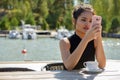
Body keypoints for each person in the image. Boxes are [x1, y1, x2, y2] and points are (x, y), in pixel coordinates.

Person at [59, 4, 106, 71]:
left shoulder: (95, 41)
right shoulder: (65, 42)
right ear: (74, 21)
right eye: (83, 20)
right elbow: (69, 66)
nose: (87, 24)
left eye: (90, 21)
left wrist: (98, 36)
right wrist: (86, 39)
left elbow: (102, 65)